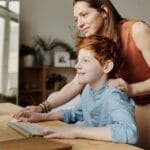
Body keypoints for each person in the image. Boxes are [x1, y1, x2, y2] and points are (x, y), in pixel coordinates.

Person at [14, 0, 149, 148]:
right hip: (127, 102)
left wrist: (132, 89)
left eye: (84, 15)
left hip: (141, 103)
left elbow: (128, 132)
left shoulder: (136, 30)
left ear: (104, 11)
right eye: (76, 19)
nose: (79, 24)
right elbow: (77, 83)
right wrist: (42, 108)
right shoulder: (96, 41)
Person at [17, 35, 138, 144]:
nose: (77, 66)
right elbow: (74, 114)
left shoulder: (113, 95)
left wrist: (77, 131)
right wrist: (42, 116)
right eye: (78, 60)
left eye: (85, 60)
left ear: (106, 66)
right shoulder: (87, 90)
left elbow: (129, 132)